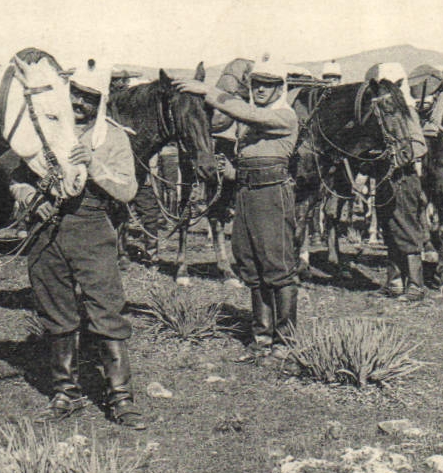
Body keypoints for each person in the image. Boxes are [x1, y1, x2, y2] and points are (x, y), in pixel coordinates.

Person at [16, 59, 144, 428]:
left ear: (100, 102)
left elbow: (128, 190)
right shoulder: (46, 128)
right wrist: (26, 196)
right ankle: (65, 393)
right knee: (55, 309)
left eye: (89, 98)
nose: (79, 104)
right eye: (75, 94)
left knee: (106, 307)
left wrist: (95, 165)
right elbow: (12, 173)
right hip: (46, 229)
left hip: (91, 226)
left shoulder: (112, 137)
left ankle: (121, 397)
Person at [173, 58, 300, 352]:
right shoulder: (251, 122)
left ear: (280, 88)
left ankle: (285, 339)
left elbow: (245, 113)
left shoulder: (284, 116)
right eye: (256, 84)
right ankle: (261, 336)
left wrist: (207, 90)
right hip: (247, 193)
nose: (260, 90)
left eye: (268, 85)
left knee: (277, 265)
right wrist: (230, 171)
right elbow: (251, 154)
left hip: (272, 195)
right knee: (250, 262)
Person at [366, 62, 430, 300]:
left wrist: (399, 156)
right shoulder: (384, 112)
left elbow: (418, 146)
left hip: (404, 177)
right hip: (386, 177)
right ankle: (394, 283)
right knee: (389, 227)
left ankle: (415, 286)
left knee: (407, 229)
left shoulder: (407, 112)